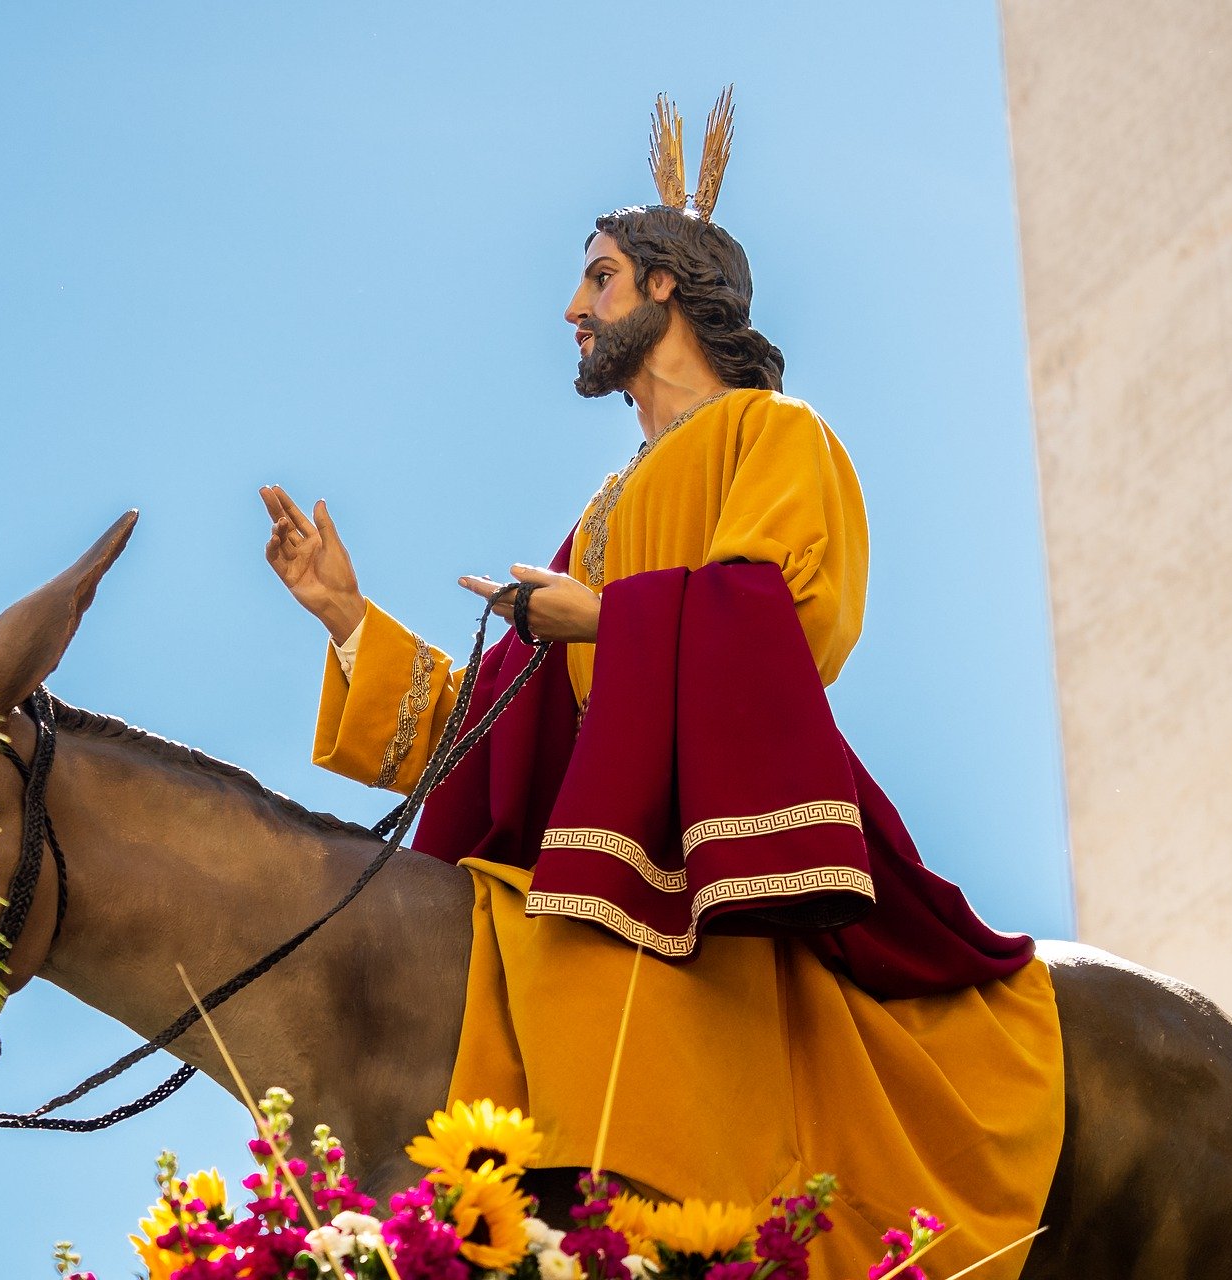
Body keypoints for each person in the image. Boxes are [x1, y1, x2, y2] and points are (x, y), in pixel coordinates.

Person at [259, 91, 1062, 1279]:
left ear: (668, 286)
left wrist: (604, 616)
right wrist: (345, 618)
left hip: (703, 856)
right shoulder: (600, 513)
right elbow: (496, 723)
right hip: (595, 854)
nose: (573, 309)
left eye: (598, 278)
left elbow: (795, 620)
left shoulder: (772, 436)